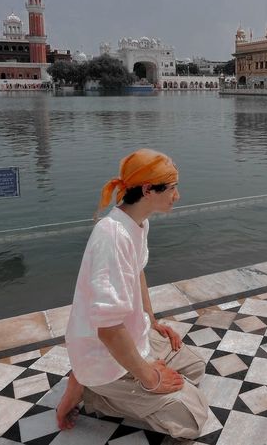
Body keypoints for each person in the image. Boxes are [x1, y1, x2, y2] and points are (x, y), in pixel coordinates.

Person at [57, 148, 208, 439]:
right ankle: (92, 392)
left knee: (195, 367)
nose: (177, 195)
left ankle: (100, 381)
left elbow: (138, 272)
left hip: (130, 336)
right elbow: (108, 329)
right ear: (149, 189)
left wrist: (151, 321)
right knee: (191, 418)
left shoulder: (138, 223)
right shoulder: (112, 236)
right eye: (173, 188)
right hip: (104, 353)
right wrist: (150, 378)